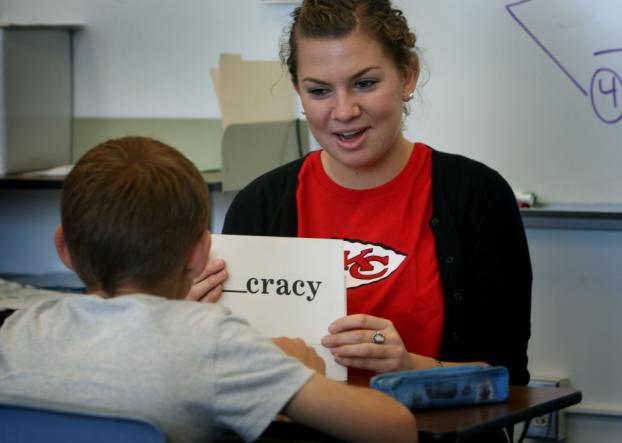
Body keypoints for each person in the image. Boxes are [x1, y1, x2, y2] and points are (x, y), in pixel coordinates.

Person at [190, 0, 532, 386]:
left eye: (365, 83)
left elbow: (508, 380)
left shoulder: (476, 197)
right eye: (319, 91)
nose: (343, 110)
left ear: (408, 76)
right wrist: (192, 324)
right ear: (298, 92)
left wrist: (409, 367)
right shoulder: (260, 205)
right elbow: (233, 376)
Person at [0, 137, 418, 443]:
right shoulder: (212, 340)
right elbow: (396, 429)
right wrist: (302, 376)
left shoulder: (18, 332)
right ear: (201, 252)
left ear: (64, 249)